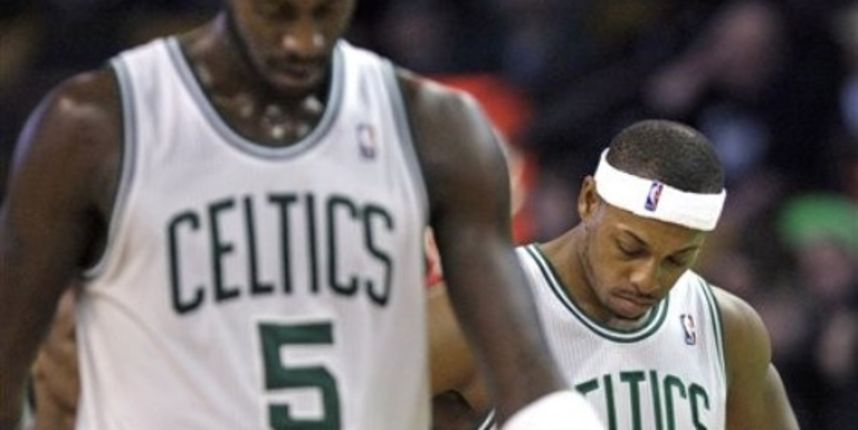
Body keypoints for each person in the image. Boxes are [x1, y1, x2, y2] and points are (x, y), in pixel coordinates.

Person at [0, 1, 603, 428]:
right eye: (279, 14)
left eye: (325, 13)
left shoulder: (436, 131)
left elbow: (531, 384)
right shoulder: (96, 126)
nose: (304, 41)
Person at [428, 120, 800, 429]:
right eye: (630, 248)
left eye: (676, 260)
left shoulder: (728, 330)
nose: (646, 279)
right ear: (589, 201)